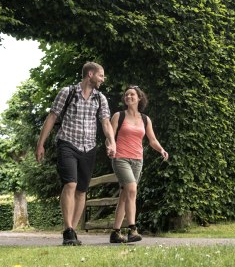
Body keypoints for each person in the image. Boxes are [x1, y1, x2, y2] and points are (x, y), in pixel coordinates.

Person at [36, 62, 116, 246]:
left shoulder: (100, 98)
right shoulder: (68, 92)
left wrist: (111, 142)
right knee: (70, 184)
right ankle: (68, 230)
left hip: (88, 147)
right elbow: (52, 117)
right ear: (90, 74)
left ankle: (74, 231)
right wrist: (40, 144)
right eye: (101, 75)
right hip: (67, 144)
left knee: (81, 190)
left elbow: (105, 122)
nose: (103, 79)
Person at [109, 85, 168, 243]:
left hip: (137, 160)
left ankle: (115, 232)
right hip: (120, 158)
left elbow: (152, 140)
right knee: (132, 190)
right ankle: (132, 230)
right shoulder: (118, 116)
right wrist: (110, 147)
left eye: (132, 95)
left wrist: (161, 150)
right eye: (126, 95)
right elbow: (110, 136)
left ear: (139, 98)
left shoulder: (144, 119)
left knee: (124, 195)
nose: (128, 97)